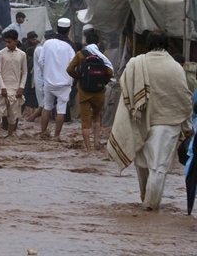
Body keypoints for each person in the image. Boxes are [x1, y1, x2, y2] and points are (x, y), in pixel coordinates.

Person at [109, 32, 193, 211]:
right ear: (167, 45)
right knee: (158, 167)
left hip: (140, 122)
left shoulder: (137, 63)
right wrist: (188, 128)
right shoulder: (175, 67)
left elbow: (127, 93)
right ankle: (150, 207)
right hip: (167, 125)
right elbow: (183, 100)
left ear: (148, 44)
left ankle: (144, 202)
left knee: (142, 165)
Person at [66, 32, 114, 151]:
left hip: (84, 92)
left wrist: (79, 77)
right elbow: (109, 72)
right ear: (98, 43)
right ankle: (97, 142)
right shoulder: (103, 55)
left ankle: (88, 148)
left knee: (85, 120)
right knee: (97, 116)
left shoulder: (80, 55)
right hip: (99, 91)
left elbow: (69, 69)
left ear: (86, 43)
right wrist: (104, 82)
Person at [38, 18, 76, 140]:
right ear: (68, 30)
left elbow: (41, 61)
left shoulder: (48, 43)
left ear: (57, 28)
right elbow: (73, 65)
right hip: (65, 83)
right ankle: (56, 136)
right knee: (61, 110)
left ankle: (43, 133)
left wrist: (46, 74)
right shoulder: (70, 46)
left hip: (49, 82)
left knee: (47, 106)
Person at [0, 29, 27, 138]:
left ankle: (10, 137)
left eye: (10, 42)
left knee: (13, 114)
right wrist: (2, 87)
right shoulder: (1, 53)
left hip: (15, 88)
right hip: (1, 86)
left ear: (16, 41)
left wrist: (21, 87)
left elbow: (24, 72)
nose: (7, 44)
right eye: (6, 42)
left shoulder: (22, 55)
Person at [27, 30, 56, 122]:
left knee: (45, 104)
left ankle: (34, 119)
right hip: (42, 80)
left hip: (45, 79)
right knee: (44, 104)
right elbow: (43, 63)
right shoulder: (40, 49)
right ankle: (32, 119)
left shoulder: (44, 48)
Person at [22, 47, 39, 119]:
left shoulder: (28, 62)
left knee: (29, 102)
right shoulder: (38, 62)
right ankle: (33, 117)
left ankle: (30, 117)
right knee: (35, 103)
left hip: (29, 85)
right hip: (36, 85)